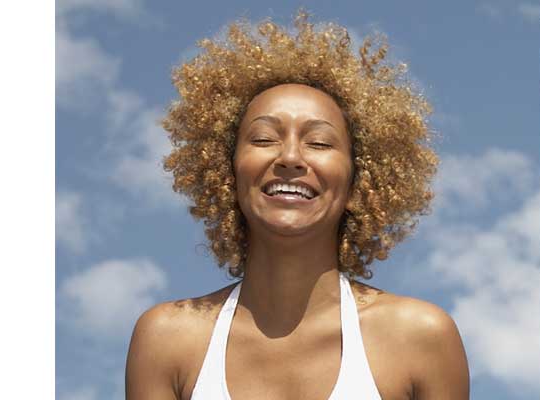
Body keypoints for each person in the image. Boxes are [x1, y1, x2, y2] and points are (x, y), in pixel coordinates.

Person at [123, 11, 469, 400]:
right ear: (226, 173)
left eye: (319, 143)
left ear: (360, 183)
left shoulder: (420, 337)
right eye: (264, 138)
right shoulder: (167, 340)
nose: (290, 156)